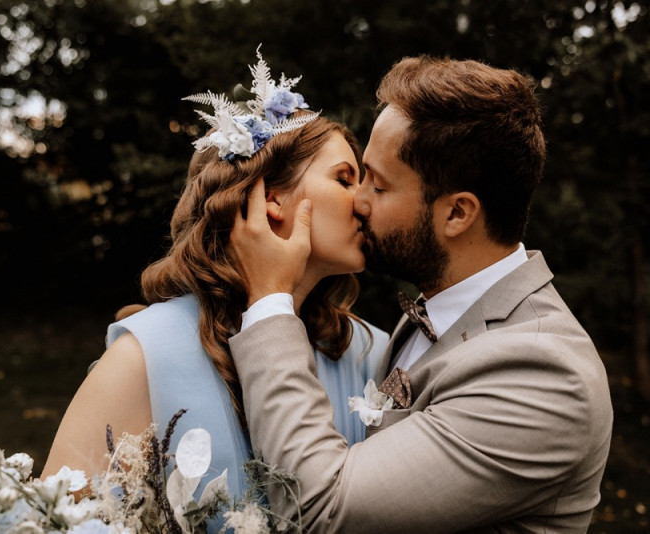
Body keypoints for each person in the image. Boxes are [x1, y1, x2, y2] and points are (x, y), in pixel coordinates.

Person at [227, 54, 614, 533]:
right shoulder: (431, 313)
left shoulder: (546, 375)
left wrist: (268, 299)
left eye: (379, 185)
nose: (359, 201)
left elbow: (322, 509)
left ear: (457, 214)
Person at [40, 50, 388, 532]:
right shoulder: (146, 357)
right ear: (269, 198)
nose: (366, 202)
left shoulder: (370, 350)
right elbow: (53, 521)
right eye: (345, 179)